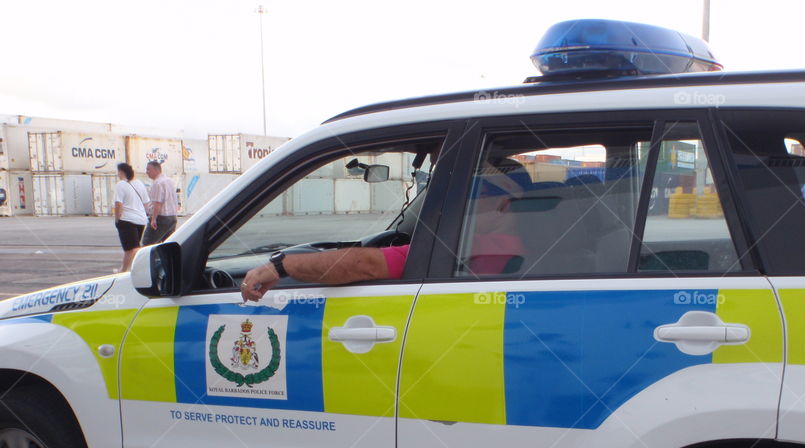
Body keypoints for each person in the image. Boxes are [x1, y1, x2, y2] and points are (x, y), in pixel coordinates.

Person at [239, 158, 527, 303]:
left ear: (503, 205)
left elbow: (363, 264)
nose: (460, 206)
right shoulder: (526, 246)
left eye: (471, 197)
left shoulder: (478, 246)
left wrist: (282, 265)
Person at [113, 163, 149, 272]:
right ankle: (123, 270)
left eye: (118, 171)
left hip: (127, 219)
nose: (117, 174)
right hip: (141, 219)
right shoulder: (139, 183)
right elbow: (146, 203)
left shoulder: (120, 185)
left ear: (121, 172)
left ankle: (139, 269)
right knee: (130, 248)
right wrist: (145, 215)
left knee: (134, 248)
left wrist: (117, 219)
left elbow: (118, 204)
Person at [142, 160, 178, 245]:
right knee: (167, 245)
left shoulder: (158, 183)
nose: (146, 172)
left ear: (156, 170)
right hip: (172, 217)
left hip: (161, 218)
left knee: (148, 244)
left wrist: (154, 219)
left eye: (148, 170)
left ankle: (149, 258)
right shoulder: (169, 181)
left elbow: (157, 203)